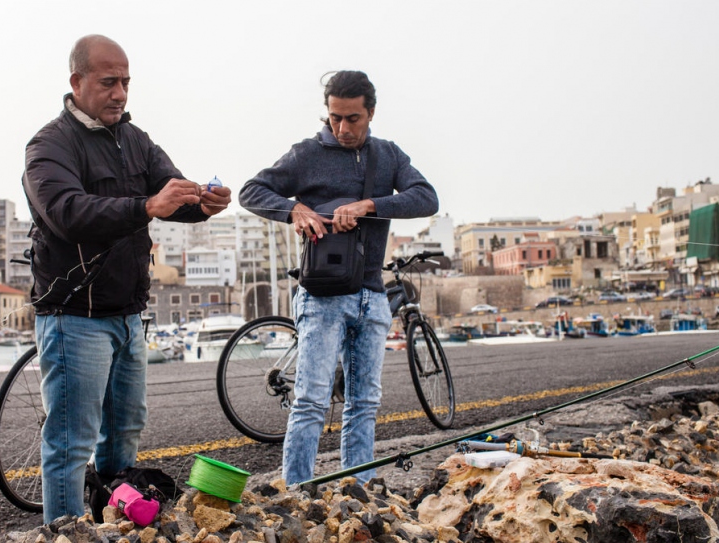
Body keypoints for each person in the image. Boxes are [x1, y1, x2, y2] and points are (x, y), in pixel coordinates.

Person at [22, 34, 231, 523]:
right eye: (108, 82)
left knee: (123, 433)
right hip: (75, 314)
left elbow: (172, 193)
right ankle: (66, 533)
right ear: (77, 82)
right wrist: (145, 206)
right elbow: (65, 212)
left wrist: (204, 203)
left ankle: (114, 519)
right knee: (71, 443)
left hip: (127, 314)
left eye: (126, 82)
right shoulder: (49, 144)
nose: (120, 93)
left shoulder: (136, 140)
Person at [239, 70, 439, 485]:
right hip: (321, 295)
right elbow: (251, 191)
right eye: (334, 118)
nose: (342, 128)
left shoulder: (389, 155)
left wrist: (370, 204)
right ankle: (296, 492)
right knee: (311, 401)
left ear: (371, 114)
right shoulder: (305, 154)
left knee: (364, 402)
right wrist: (293, 210)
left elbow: (427, 198)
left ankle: (358, 492)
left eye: (353, 118)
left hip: (371, 294)